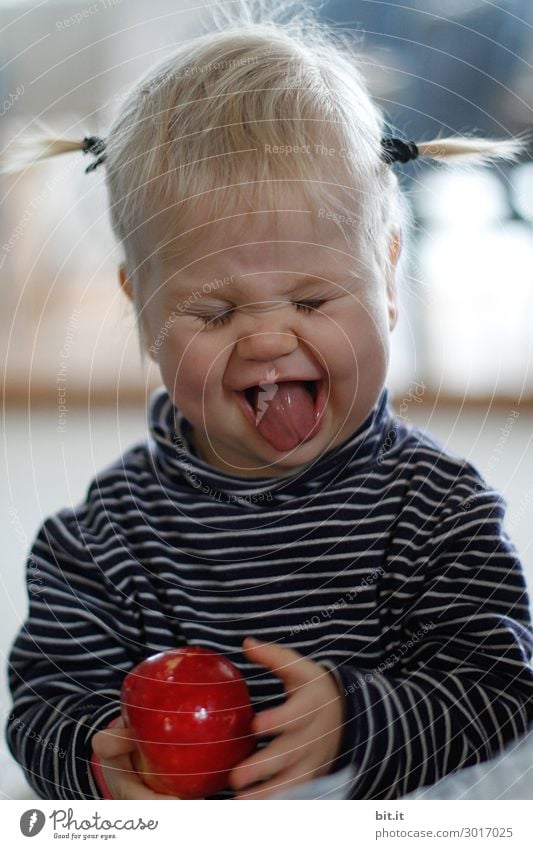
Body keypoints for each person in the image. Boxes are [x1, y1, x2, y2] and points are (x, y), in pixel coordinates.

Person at [4, 0, 533, 801]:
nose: (264, 341)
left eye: (313, 301)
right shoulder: (104, 543)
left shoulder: (437, 513)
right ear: (142, 310)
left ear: (388, 277)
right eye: (215, 313)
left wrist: (355, 721)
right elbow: (44, 707)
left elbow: (502, 692)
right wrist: (98, 757)